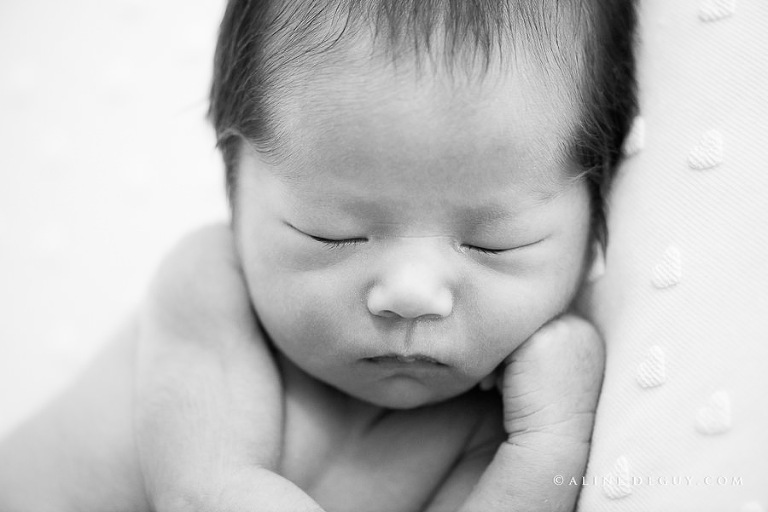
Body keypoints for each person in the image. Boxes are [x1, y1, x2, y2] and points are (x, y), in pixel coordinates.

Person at [0, 0, 637, 510]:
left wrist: (545, 447)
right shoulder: (209, 287)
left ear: (594, 228)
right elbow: (204, 493)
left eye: (492, 242)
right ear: (234, 186)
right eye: (331, 233)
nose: (410, 292)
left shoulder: (493, 423)